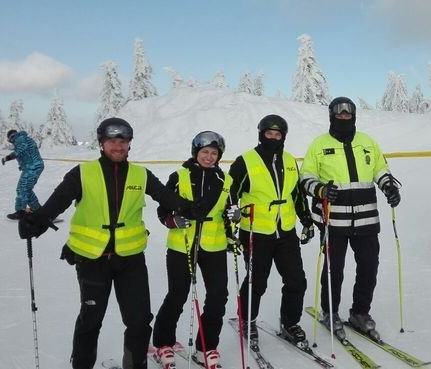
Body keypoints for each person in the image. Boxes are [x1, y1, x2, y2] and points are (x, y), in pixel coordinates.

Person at [18, 117, 210, 369]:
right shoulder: (83, 173)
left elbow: (165, 196)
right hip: (92, 259)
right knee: (91, 319)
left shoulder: (141, 174)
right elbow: (59, 199)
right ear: (101, 143)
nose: (117, 146)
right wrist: (38, 221)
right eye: (111, 141)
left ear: (129, 144)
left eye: (122, 141)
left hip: (130, 260)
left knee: (139, 320)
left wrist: (189, 208)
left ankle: (135, 365)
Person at [299, 97, 401, 341]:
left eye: (348, 112)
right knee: (334, 269)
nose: (343, 115)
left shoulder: (367, 142)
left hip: (366, 219)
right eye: (338, 111)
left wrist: (388, 185)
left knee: (369, 265)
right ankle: (330, 312)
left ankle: (360, 312)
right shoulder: (319, 144)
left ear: (354, 115)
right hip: (334, 220)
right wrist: (321, 190)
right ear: (331, 115)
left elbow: (380, 169)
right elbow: (305, 177)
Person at [228, 114, 312, 350]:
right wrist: (230, 221)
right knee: (257, 281)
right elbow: (230, 193)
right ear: (261, 134)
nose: (274, 138)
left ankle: (289, 323)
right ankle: (247, 320)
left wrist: (305, 218)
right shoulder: (245, 161)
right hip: (256, 231)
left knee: (296, 280)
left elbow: (296, 193)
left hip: (285, 230)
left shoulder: (288, 160)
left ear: (283, 137)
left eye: (278, 135)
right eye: (269, 134)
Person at [152, 131, 232, 369]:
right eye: (205, 152)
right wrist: (171, 221)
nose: (209, 157)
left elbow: (229, 212)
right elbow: (162, 210)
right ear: (196, 152)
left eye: (214, 153)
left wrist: (233, 217)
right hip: (182, 245)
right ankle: (163, 343)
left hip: (214, 246)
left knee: (218, 297)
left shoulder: (225, 181)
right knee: (178, 295)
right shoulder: (180, 176)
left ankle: (206, 347)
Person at [2, 129, 45, 219]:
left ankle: (20, 211)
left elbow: (21, 149)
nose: (11, 142)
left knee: (23, 188)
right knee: (26, 189)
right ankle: (37, 210)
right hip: (31, 167)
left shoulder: (20, 139)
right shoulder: (22, 138)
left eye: (9, 140)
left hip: (33, 167)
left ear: (11, 137)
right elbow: (25, 153)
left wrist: (8, 157)